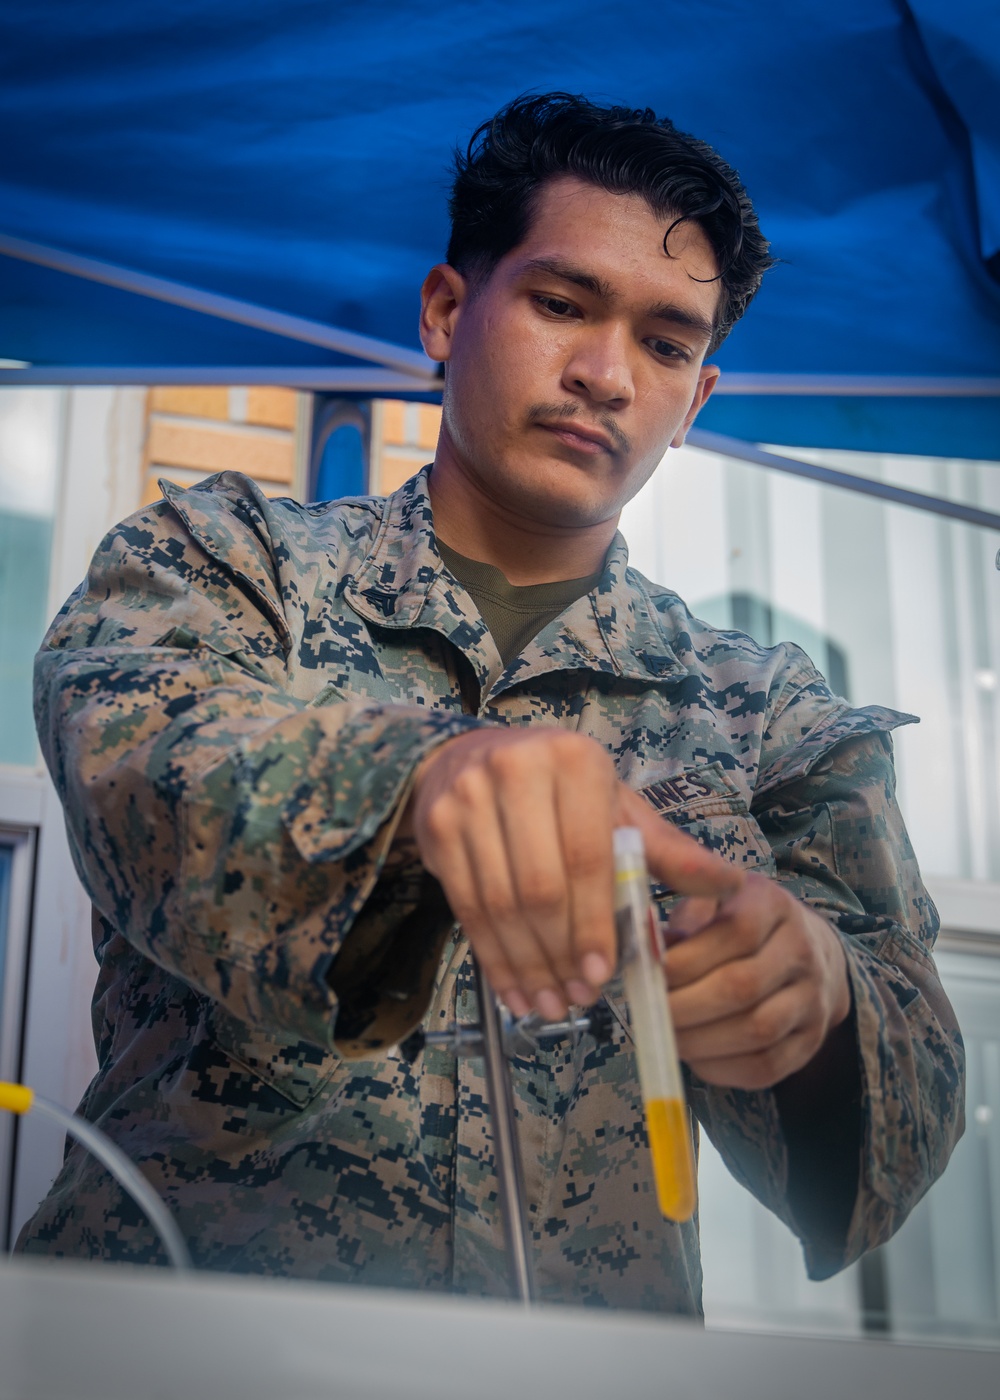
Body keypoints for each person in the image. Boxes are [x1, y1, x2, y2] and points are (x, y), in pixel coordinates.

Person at [20, 93, 963, 1313]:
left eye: (667, 343)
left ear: (698, 400)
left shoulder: (770, 719)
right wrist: (419, 781)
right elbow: (139, 769)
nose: (605, 373)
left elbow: (910, 1118)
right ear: (447, 310)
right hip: (174, 1338)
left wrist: (821, 997)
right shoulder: (223, 561)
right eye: (562, 302)